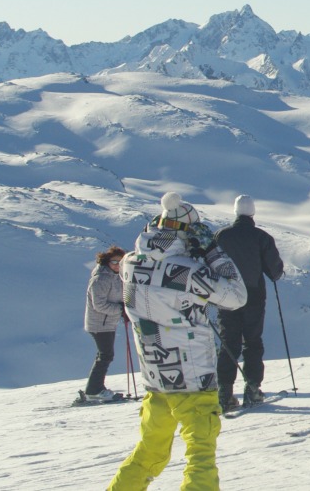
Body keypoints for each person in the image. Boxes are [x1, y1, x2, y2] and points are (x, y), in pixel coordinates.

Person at [109, 192, 247, 491]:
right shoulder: (186, 272)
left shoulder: (130, 263)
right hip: (193, 376)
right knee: (200, 454)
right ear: (188, 234)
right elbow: (236, 296)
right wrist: (212, 250)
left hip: (156, 377)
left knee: (150, 450)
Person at [213, 195, 285, 412]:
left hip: (226, 295)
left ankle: (225, 392)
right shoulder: (261, 237)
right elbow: (274, 271)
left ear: (235, 212)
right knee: (252, 341)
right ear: (252, 213)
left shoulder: (221, 236)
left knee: (228, 341)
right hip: (253, 295)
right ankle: (252, 389)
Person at [80, 245, 126, 402]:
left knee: (105, 355)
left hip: (107, 323)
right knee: (105, 355)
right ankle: (94, 390)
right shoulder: (101, 278)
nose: (116, 265)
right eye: (114, 262)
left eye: (120, 263)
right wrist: (121, 309)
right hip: (99, 324)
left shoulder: (116, 276)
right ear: (106, 261)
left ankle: (95, 388)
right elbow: (99, 305)